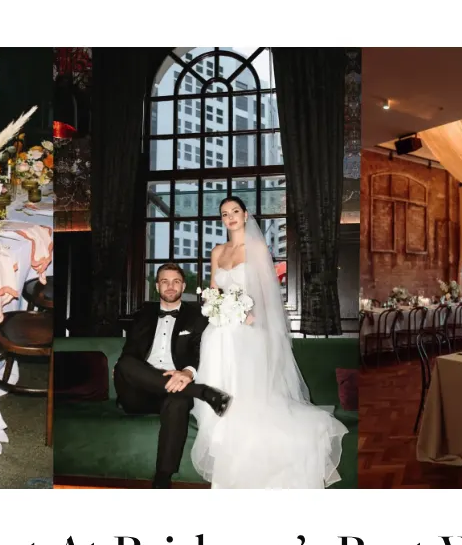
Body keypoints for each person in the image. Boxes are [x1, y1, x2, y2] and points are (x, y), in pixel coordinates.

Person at [190, 196, 345, 488]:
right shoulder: (218, 251)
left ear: (245, 215)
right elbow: (213, 289)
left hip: (248, 333)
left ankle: (253, 472)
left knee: (248, 400)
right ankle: (227, 472)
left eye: (235, 211)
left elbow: (266, 291)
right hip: (219, 333)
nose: (230, 217)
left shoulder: (258, 248)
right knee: (221, 398)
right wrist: (215, 306)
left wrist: (251, 316)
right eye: (225, 214)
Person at [116, 263, 232, 488]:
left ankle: (162, 479)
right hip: (139, 390)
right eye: (165, 281)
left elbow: (200, 350)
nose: (170, 286)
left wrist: (188, 372)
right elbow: (130, 353)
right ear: (157, 286)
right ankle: (202, 392)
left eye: (176, 281)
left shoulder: (197, 316)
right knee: (125, 364)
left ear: (184, 285)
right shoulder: (143, 314)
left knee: (179, 401)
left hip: (177, 386)